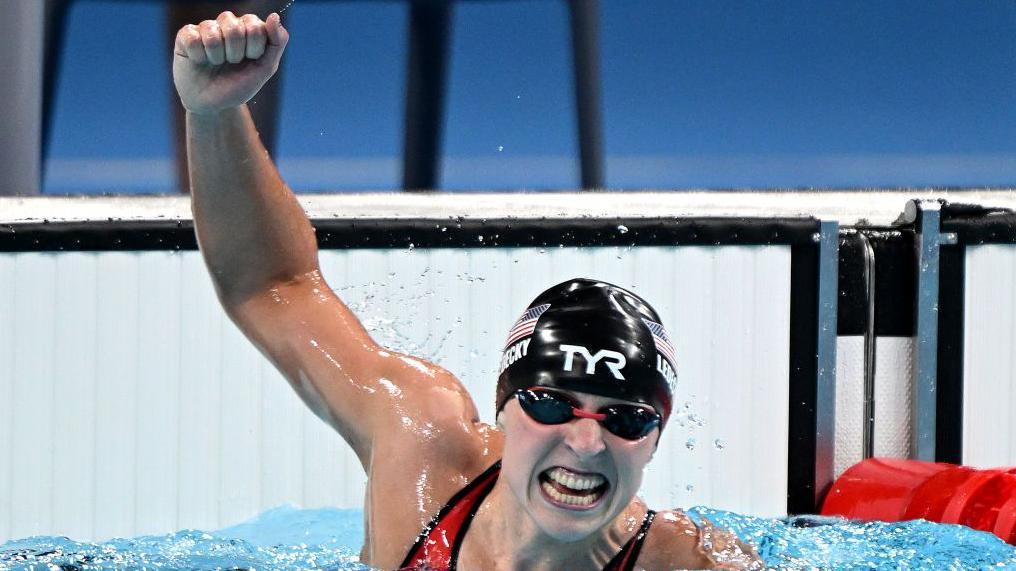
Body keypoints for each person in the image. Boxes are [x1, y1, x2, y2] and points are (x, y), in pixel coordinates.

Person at [173, 11, 762, 570]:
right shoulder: (422, 452)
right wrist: (214, 115)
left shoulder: (687, 560)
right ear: (504, 406)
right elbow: (272, 284)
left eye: (625, 420)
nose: (585, 443)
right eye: (552, 405)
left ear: (656, 439)